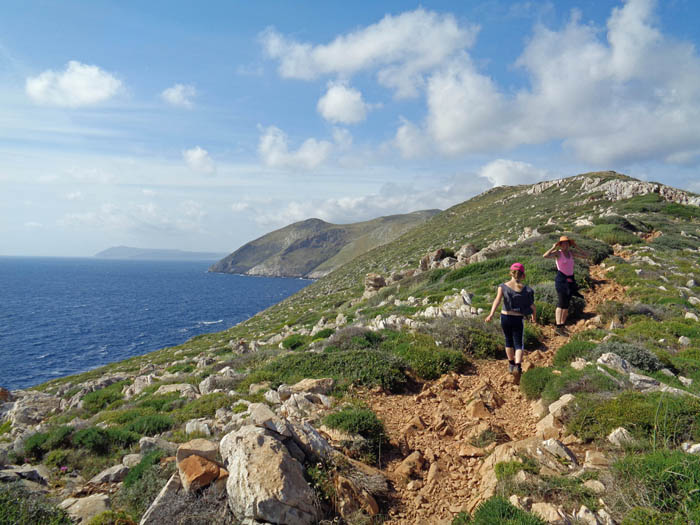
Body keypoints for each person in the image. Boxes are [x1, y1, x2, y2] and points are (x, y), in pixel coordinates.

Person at [485, 262, 536, 375]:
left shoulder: (502, 286)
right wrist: (534, 317)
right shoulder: (526, 289)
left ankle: (511, 364)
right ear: (523, 275)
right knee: (518, 343)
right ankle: (518, 366)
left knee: (508, 341)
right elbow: (532, 306)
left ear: (511, 273)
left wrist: (491, 314)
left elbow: (497, 301)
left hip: (505, 317)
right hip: (518, 318)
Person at [543, 236, 589, 335]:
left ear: (569, 244)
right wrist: (553, 247)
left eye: (567, 243)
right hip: (561, 280)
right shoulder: (558, 253)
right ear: (560, 245)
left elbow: (586, 255)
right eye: (563, 243)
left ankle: (562, 325)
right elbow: (545, 256)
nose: (565, 245)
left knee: (566, 304)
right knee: (561, 303)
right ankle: (558, 326)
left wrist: (577, 247)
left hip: (570, 280)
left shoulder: (571, 253)